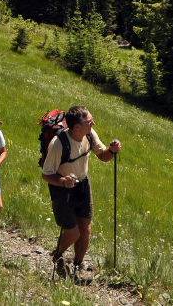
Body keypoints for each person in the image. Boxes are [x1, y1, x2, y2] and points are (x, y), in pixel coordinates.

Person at [41, 105, 121, 282]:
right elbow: (46, 174)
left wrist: (112, 150)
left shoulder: (90, 134)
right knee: (72, 234)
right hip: (63, 189)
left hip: (83, 185)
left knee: (86, 230)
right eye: (89, 120)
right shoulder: (58, 144)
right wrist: (63, 182)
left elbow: (103, 156)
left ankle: (78, 264)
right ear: (77, 127)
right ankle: (58, 255)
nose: (93, 122)